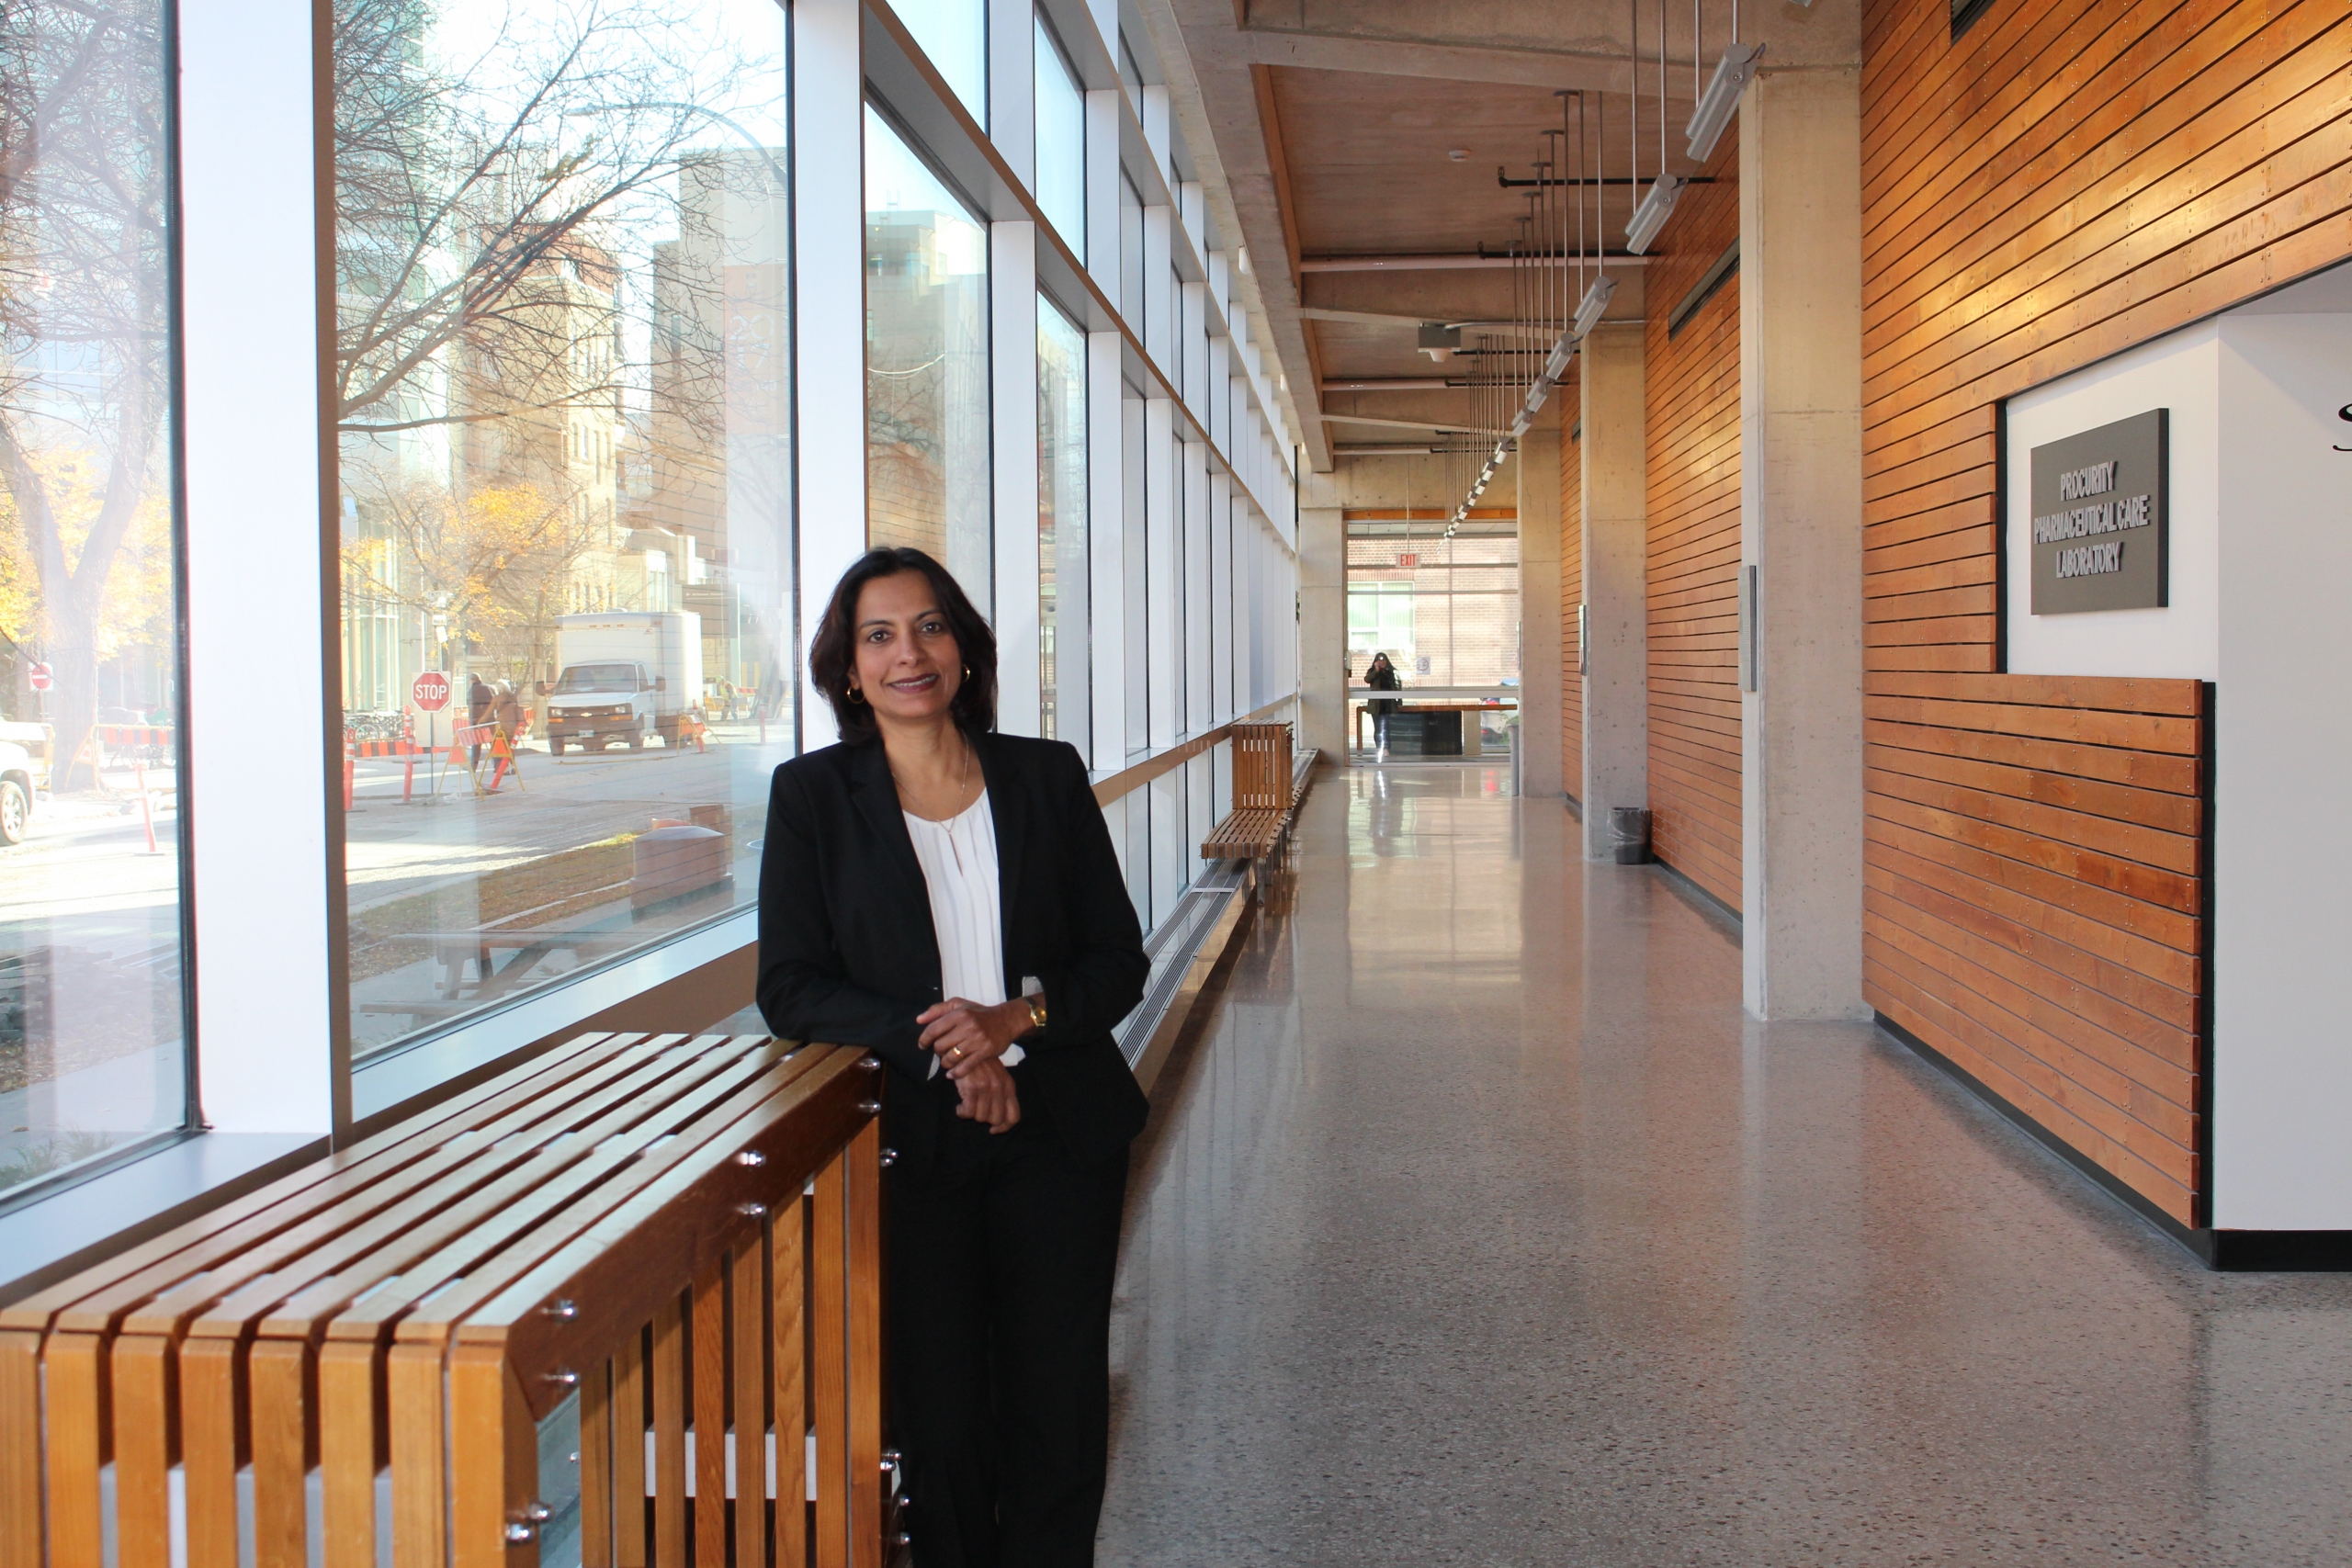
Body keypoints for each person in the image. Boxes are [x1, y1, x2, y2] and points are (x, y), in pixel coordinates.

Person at [757, 547, 1149, 1568]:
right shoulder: (809, 797)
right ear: (846, 669)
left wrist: (1012, 1024)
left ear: (964, 650)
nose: (907, 654)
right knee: (938, 1408)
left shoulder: (1043, 775)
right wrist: (948, 1035)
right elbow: (789, 988)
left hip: (1062, 1132)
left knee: (1056, 1396)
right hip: (910, 1143)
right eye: (877, 636)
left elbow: (1116, 960)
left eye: (928, 627)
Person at [1363, 649, 1402, 761]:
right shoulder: (1372, 671)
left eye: (1384, 659)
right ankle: (1379, 747)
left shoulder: (1391, 673)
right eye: (1379, 660)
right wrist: (1376, 670)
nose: (1382, 662)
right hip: (1376, 704)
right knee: (1378, 727)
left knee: (1386, 727)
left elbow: (1397, 687)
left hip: (1388, 704)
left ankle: (1387, 748)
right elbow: (1367, 680)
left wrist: (1399, 702)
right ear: (1376, 662)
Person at [493, 682, 527, 782]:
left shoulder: (498, 698)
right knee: (510, 748)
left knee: (502, 748)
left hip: (502, 726)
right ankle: (512, 767)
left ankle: (505, 768)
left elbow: (489, 711)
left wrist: (480, 721)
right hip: (513, 726)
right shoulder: (513, 697)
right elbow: (517, 712)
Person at [466, 671, 494, 769]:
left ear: (472, 680)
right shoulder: (488, 688)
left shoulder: (471, 690)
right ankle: (497, 765)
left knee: (476, 746)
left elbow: (471, 707)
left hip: (477, 722)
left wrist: (473, 722)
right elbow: (493, 703)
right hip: (489, 720)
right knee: (493, 744)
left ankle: (473, 767)